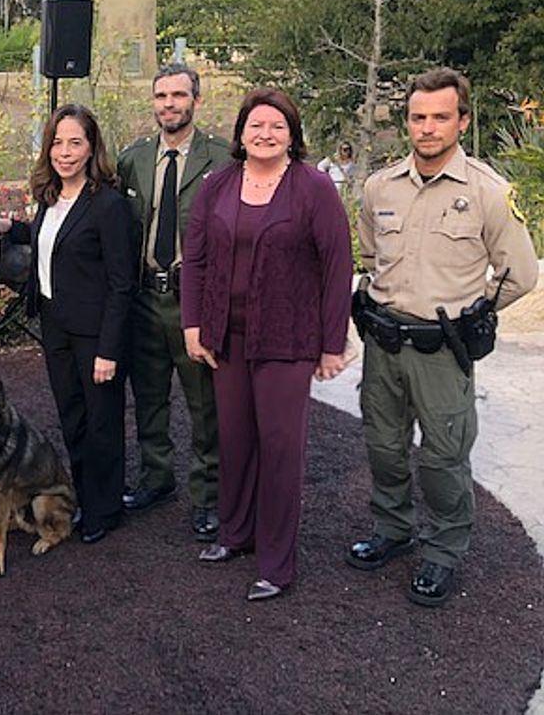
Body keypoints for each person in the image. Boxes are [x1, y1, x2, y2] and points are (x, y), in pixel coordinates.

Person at [347, 67, 538, 607]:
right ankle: (392, 528)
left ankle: (443, 550)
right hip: (383, 344)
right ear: (407, 121)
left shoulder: (489, 193)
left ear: (462, 121)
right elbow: (369, 255)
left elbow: (519, 274)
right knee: (383, 447)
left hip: (440, 350)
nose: (427, 128)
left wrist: (473, 315)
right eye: (418, 117)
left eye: (440, 117)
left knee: (442, 458)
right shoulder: (381, 186)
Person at [182, 87, 353, 602]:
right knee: (234, 442)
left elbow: (337, 266)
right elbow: (195, 260)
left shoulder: (313, 188)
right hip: (225, 339)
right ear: (240, 133)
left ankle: (277, 564)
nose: (265, 134)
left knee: (280, 451)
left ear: (292, 135)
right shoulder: (217, 185)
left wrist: (332, 343)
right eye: (256, 125)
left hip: (286, 339)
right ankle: (235, 534)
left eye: (277, 126)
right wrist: (193, 326)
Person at [0, 105, 135, 543]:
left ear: (92, 147)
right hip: (55, 327)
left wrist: (110, 350)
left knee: (101, 422)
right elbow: (52, 241)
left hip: (96, 334)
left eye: (75, 142)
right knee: (72, 417)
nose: (65, 151)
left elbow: (121, 284)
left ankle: (105, 508)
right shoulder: (51, 198)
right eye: (57, 142)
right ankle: (84, 499)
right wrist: (15, 229)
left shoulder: (109, 205)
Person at [117, 63, 231, 539]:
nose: (169, 104)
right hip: (145, 296)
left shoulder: (222, 159)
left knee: (205, 404)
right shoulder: (134, 158)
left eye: (178, 95)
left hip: (195, 300)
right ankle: (156, 478)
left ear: (196, 101)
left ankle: (209, 495)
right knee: (148, 397)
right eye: (161, 95)